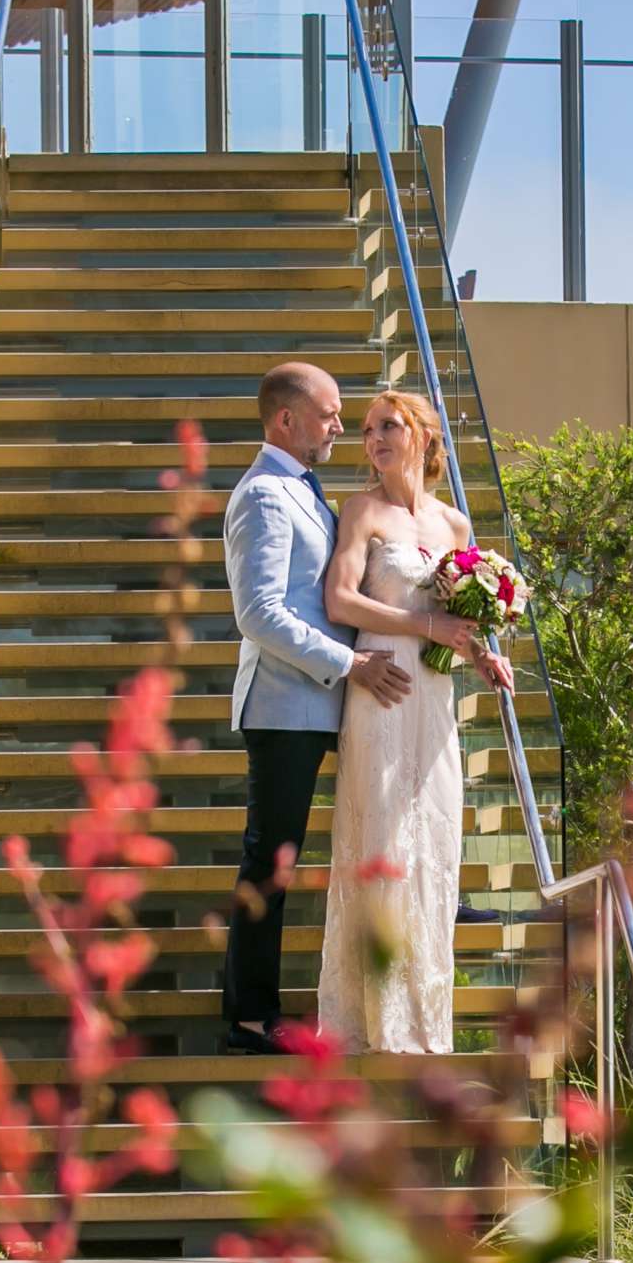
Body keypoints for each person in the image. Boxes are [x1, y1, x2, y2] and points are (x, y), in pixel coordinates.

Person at [219, 362, 414, 1056]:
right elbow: (261, 614)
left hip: (318, 703)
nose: (340, 426)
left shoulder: (303, 488)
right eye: (331, 415)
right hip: (285, 706)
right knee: (270, 861)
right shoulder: (266, 496)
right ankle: (248, 1016)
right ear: (286, 421)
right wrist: (352, 663)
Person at [314, 390, 514, 1055]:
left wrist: (485, 657)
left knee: (431, 846)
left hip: (434, 696)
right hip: (381, 687)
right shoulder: (361, 511)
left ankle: (426, 1023)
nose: (372, 439)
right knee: (382, 840)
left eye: (388, 427)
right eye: (367, 429)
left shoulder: (456, 526)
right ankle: (373, 1021)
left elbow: (467, 612)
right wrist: (425, 624)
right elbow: (340, 600)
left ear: (424, 436)